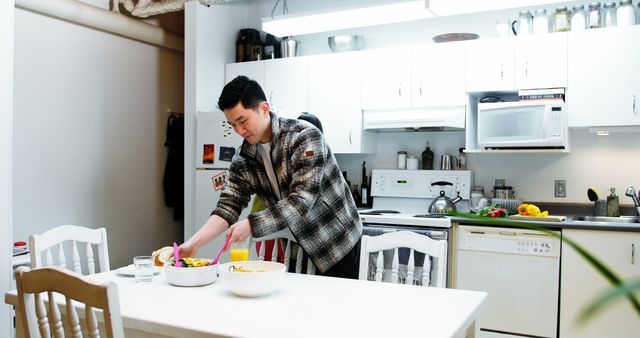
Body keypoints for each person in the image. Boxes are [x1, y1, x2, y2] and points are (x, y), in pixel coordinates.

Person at [180, 76, 362, 278]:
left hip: (337, 242)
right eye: (232, 125)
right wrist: (192, 244)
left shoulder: (304, 137)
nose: (239, 131)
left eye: (243, 121)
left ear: (264, 108)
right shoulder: (244, 158)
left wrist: (250, 223)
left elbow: (302, 200)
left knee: (335, 307)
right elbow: (227, 206)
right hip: (296, 245)